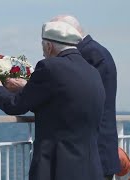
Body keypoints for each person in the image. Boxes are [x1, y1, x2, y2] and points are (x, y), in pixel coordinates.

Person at [0, 21, 105, 180]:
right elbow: (66, 104)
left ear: (49, 46)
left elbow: (16, 106)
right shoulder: (93, 72)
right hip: (90, 167)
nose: (43, 54)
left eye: (43, 48)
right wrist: (27, 88)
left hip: (57, 167)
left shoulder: (49, 67)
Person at [50, 15, 120, 180]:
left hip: (92, 152)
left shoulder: (87, 54)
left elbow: (73, 97)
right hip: (100, 150)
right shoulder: (96, 51)